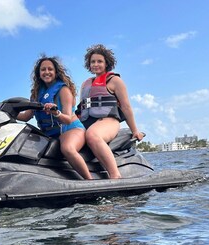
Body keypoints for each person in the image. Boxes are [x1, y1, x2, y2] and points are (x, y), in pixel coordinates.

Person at [17, 55, 93, 179]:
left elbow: (68, 119)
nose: (47, 72)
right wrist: (8, 112)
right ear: (38, 73)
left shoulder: (63, 90)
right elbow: (26, 116)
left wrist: (56, 112)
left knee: (68, 149)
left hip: (71, 130)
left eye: (50, 69)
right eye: (43, 70)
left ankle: (90, 181)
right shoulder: (36, 93)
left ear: (56, 72)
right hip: (50, 135)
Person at [79, 44, 144, 179]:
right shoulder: (85, 84)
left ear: (107, 63)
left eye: (99, 61)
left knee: (92, 135)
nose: (96, 64)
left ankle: (115, 176)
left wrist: (135, 130)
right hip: (86, 121)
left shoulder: (115, 81)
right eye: (93, 62)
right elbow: (82, 108)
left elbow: (126, 107)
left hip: (108, 121)